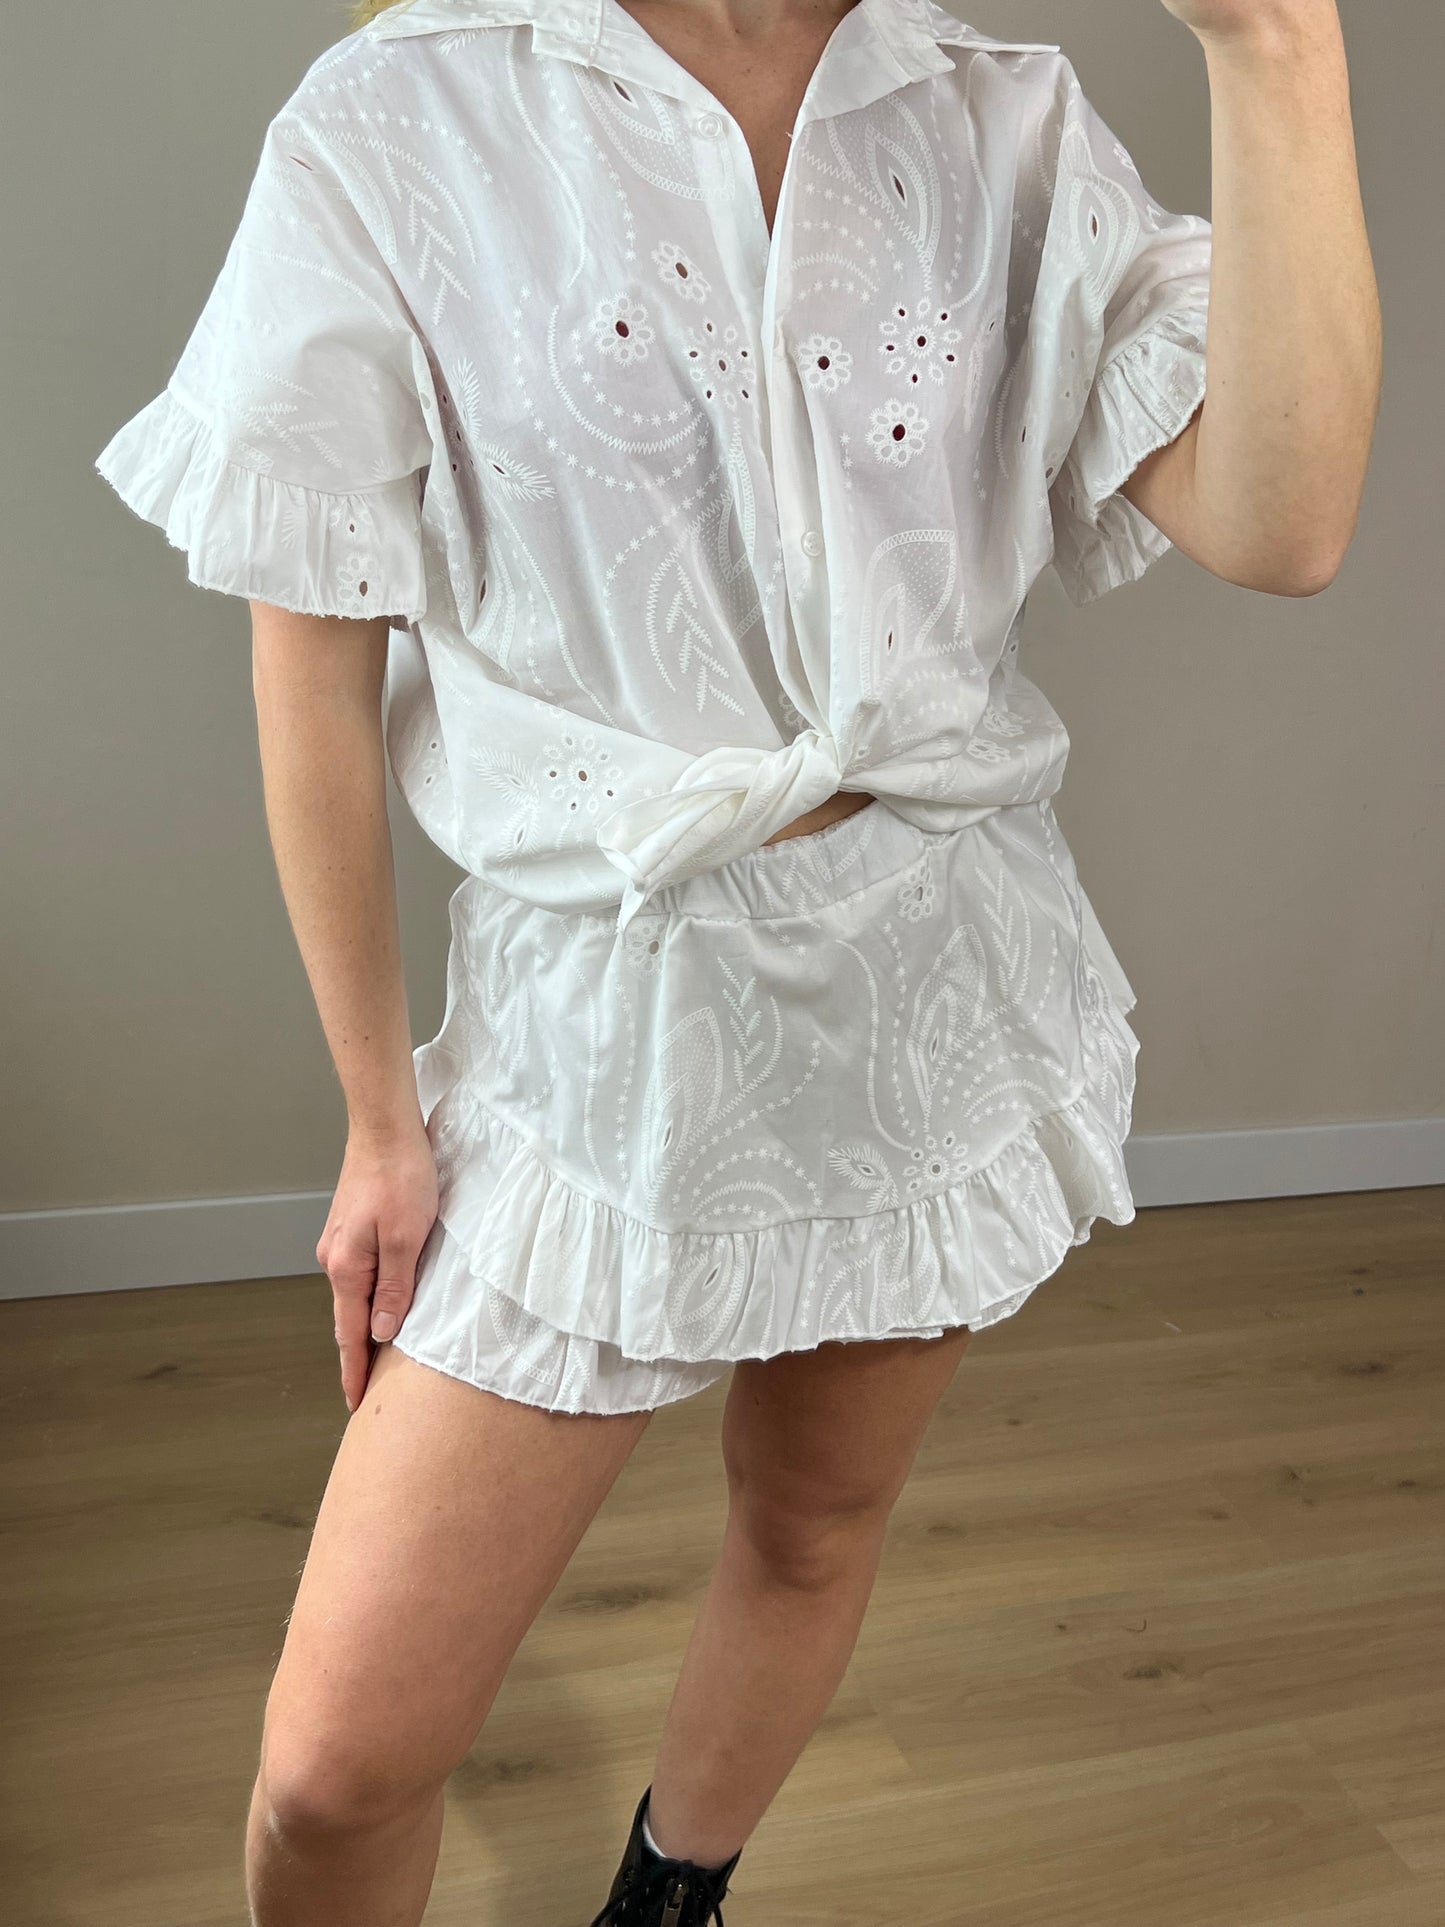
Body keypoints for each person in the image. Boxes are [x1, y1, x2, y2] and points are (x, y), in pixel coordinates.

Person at [93, 0, 1379, 1920]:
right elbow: (314, 663)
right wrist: (379, 1119)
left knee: (812, 1526)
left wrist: (1277, 50)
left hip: (931, 989)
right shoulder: (407, 109)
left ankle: (665, 1903)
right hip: (597, 1038)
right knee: (338, 1767)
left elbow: (1281, 524)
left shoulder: (993, 110)